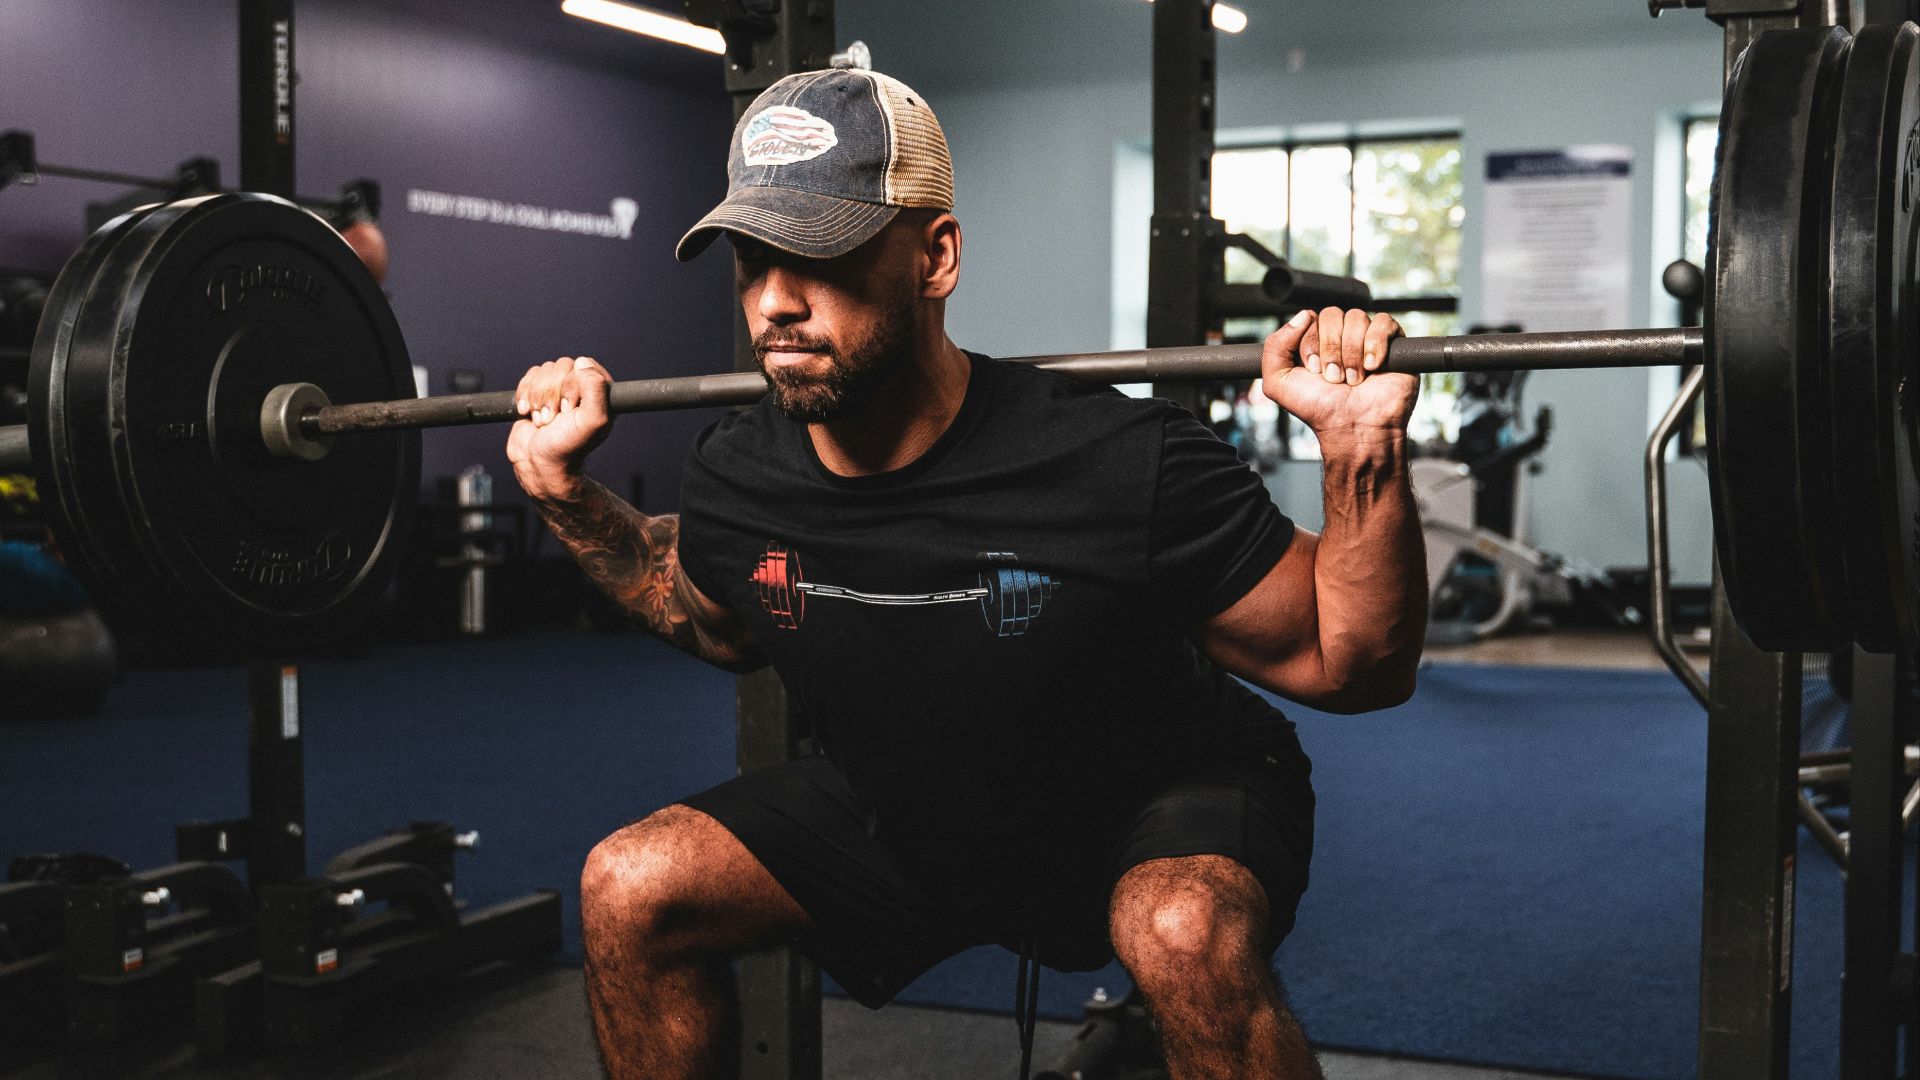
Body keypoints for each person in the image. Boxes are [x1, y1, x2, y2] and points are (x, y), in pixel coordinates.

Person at [509, 66, 1424, 1080]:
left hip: (1151, 798)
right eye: (752, 257)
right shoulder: (739, 468)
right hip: (915, 808)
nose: (774, 301)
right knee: (632, 885)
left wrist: (1359, 449)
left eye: (822, 253)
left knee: (1183, 932)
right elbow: (717, 622)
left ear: (936, 257)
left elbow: (1352, 664)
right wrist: (564, 495)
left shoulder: (1123, 461)